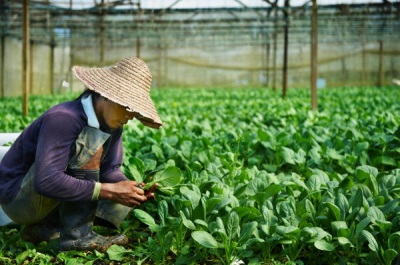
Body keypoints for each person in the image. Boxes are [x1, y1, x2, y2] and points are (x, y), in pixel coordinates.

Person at [0, 57, 162, 252]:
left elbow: (111, 169)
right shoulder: (64, 119)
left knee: (111, 186)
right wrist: (109, 190)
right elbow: (46, 180)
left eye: (134, 110)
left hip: (43, 203)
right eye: (126, 106)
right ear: (106, 94)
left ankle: (46, 228)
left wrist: (131, 189)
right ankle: (77, 236)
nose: (130, 115)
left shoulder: (112, 124)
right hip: (17, 199)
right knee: (88, 145)